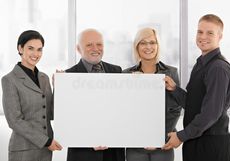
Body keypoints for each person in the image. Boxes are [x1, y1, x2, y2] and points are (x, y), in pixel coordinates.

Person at [163, 14, 230, 161]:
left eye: (210, 33)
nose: (203, 37)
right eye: (200, 32)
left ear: (220, 36)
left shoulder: (218, 68)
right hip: (196, 140)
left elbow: (211, 113)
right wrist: (175, 89)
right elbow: (194, 104)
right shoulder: (200, 64)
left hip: (210, 145)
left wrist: (181, 136)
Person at [65, 28, 125, 161]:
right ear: (78, 49)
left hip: (113, 151)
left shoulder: (116, 71)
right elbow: (67, 118)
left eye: (99, 44)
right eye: (89, 44)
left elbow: (122, 110)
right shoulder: (68, 76)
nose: (95, 48)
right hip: (83, 153)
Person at [1, 30, 62, 161]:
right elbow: (14, 121)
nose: (36, 54)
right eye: (30, 48)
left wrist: (59, 87)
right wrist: (46, 141)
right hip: (23, 150)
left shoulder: (44, 78)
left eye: (39, 49)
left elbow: (51, 113)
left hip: (45, 150)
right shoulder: (9, 80)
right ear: (20, 48)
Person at [122, 27, 181, 161]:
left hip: (163, 143)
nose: (148, 47)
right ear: (137, 47)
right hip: (135, 144)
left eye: (152, 42)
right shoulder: (126, 75)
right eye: (143, 43)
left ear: (158, 45)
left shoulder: (171, 72)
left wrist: (157, 137)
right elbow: (124, 110)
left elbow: (175, 109)